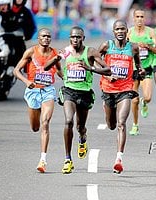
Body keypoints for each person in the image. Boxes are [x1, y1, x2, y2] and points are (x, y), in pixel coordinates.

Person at [45, 26, 111, 174]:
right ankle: (68, 159)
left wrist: (90, 68)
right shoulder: (66, 51)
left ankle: (82, 138)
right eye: (73, 37)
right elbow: (46, 67)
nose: (75, 40)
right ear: (70, 38)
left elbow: (108, 70)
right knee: (69, 121)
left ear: (83, 38)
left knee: (80, 126)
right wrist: (56, 59)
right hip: (69, 91)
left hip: (85, 93)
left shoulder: (91, 52)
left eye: (78, 37)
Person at [13, 28, 63, 173]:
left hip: (48, 91)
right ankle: (42, 156)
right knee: (35, 127)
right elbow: (16, 70)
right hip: (33, 91)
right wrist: (26, 81)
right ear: (39, 38)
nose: (46, 38)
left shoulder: (54, 53)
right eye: (43, 36)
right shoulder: (30, 52)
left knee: (45, 123)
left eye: (48, 36)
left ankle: (43, 160)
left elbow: (59, 71)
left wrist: (67, 79)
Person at [98, 20, 144, 174]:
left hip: (125, 89)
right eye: (117, 29)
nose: (120, 31)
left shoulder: (133, 48)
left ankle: (119, 159)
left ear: (126, 31)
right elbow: (95, 62)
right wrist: (107, 74)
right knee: (111, 124)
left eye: (122, 29)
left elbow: (139, 66)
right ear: (113, 31)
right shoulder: (106, 46)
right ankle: (107, 110)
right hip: (108, 89)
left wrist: (141, 72)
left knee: (121, 123)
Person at [127, 9, 156, 135]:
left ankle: (144, 103)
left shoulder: (150, 32)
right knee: (134, 100)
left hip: (146, 69)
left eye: (142, 16)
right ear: (133, 18)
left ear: (145, 18)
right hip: (133, 69)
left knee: (147, 97)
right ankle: (135, 125)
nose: (140, 19)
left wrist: (148, 46)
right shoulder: (129, 32)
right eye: (137, 16)